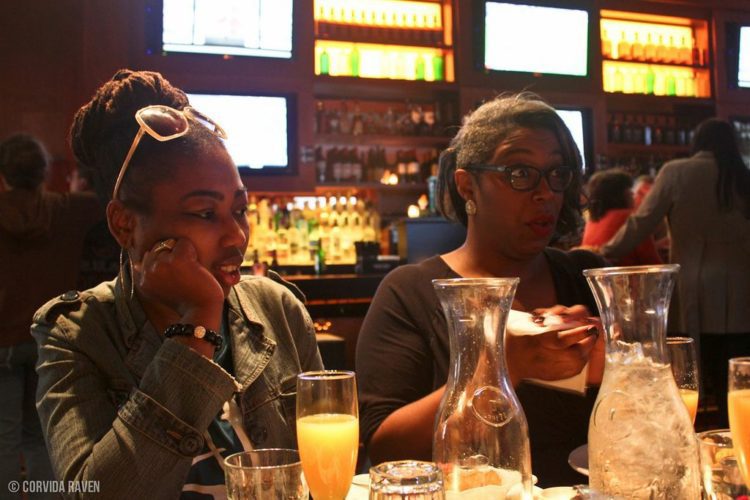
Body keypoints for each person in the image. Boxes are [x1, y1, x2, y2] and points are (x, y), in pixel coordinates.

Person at [31, 69, 322, 498]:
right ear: (124, 224)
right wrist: (196, 327)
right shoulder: (75, 335)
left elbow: (324, 475)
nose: (236, 236)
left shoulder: (277, 308)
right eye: (204, 214)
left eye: (239, 210)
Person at [356, 93, 607, 487]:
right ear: (467, 186)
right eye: (520, 173)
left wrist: (620, 362)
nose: (546, 193)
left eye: (557, 173)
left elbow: (654, 411)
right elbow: (385, 449)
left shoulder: (586, 276)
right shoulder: (411, 292)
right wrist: (501, 367)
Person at [601, 118, 750, 427]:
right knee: (737, 385)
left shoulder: (676, 172)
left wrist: (604, 250)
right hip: (742, 294)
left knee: (691, 381)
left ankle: (698, 441)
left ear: (697, 141)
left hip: (694, 291)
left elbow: (641, 223)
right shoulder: (742, 175)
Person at [0, 134, 100, 496]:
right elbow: (116, 197)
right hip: (49, 337)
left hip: (2, 340)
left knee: (4, 439)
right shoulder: (68, 210)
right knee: (41, 436)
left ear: (3, 175)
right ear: (45, 172)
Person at [581, 168, 661, 266]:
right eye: (629, 189)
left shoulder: (592, 220)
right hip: (627, 274)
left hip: (596, 274)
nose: (633, 193)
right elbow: (652, 261)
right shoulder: (630, 217)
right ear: (622, 194)